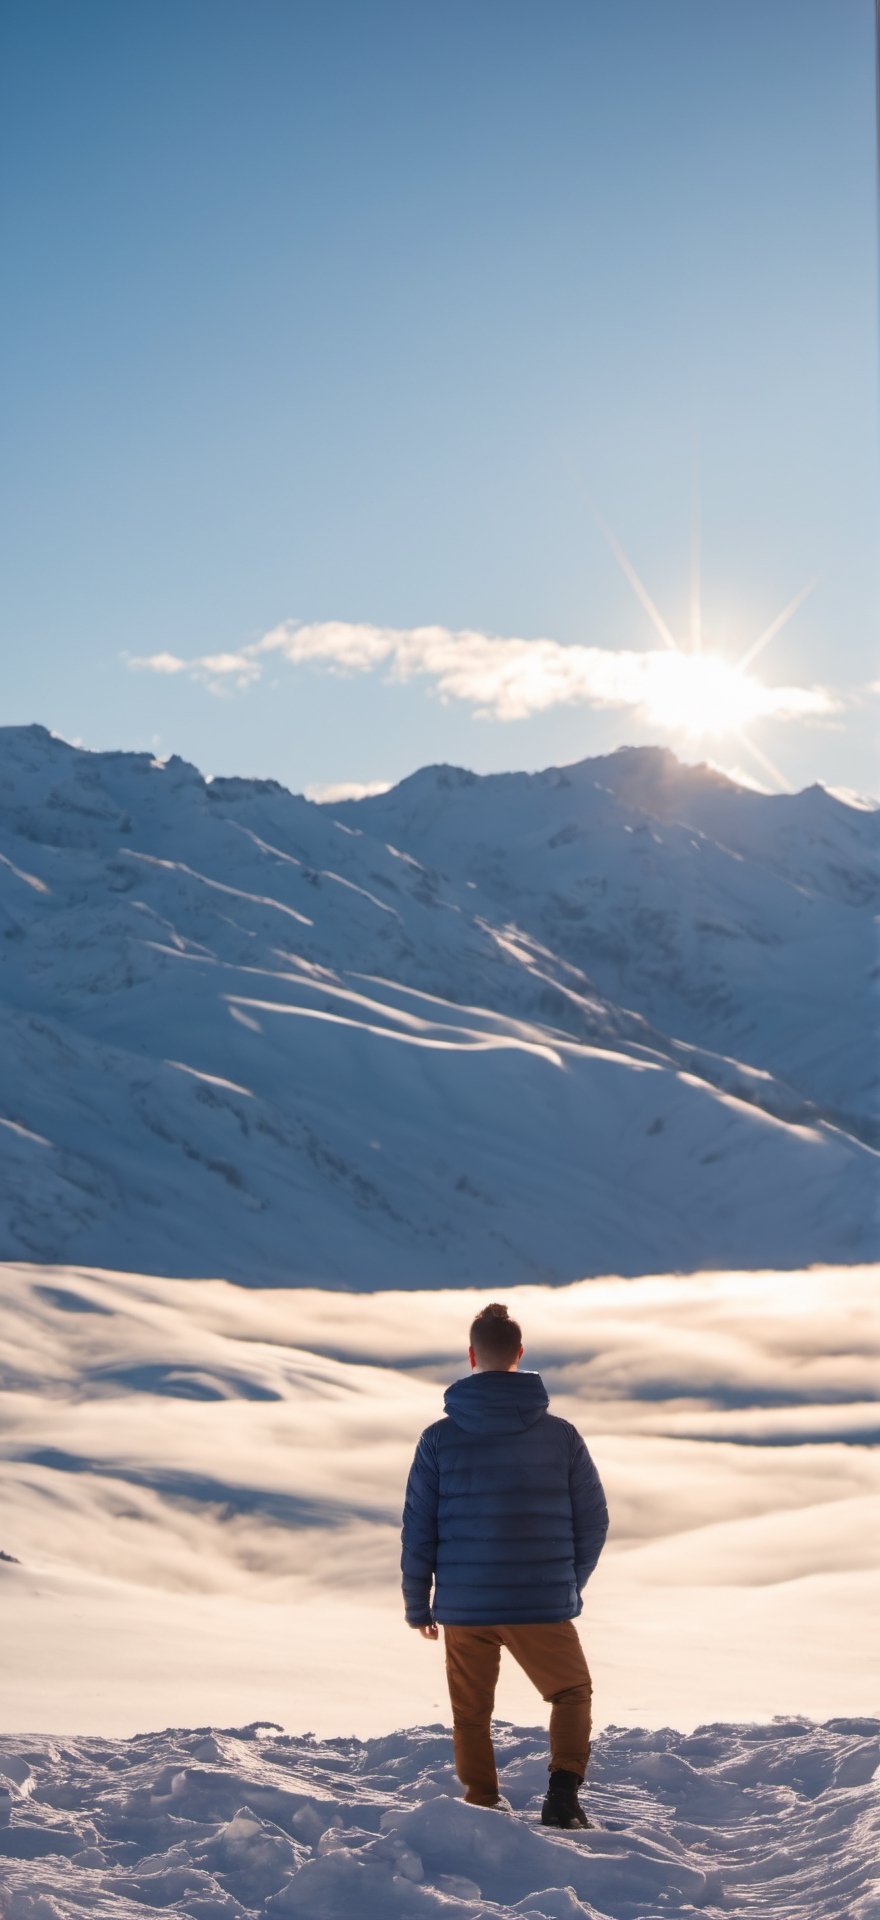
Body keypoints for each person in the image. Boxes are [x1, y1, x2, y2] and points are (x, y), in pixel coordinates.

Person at [401, 1301, 609, 1828]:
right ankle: (562, 1794)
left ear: (472, 1356)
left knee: (471, 1715)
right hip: (540, 1600)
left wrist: (416, 1603)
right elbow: (594, 1521)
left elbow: (418, 1528)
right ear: (520, 1354)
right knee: (570, 1693)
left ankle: (482, 1803)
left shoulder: (438, 1439)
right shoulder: (561, 1435)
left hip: (465, 1605)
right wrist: (565, 1583)